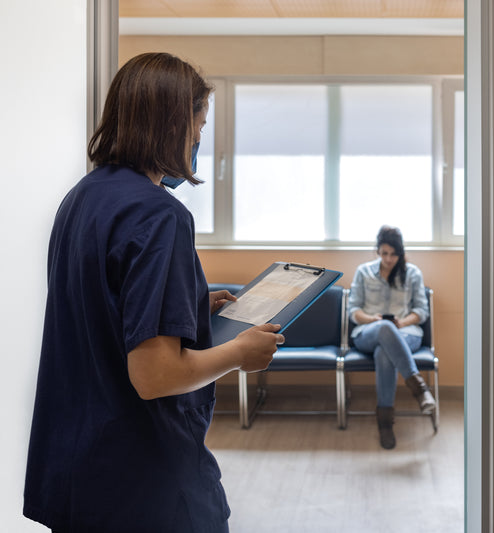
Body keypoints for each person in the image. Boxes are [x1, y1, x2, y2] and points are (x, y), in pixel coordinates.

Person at [23, 52, 284, 533]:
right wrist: (239, 353)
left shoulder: (82, 197)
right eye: (198, 124)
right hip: (142, 482)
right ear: (170, 123)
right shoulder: (159, 215)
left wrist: (186, 305)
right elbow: (155, 375)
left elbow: (99, 305)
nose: (200, 138)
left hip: (78, 472)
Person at [348, 225, 436, 449]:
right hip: (367, 332)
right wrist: (373, 320)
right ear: (377, 251)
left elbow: (421, 312)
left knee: (384, 353)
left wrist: (401, 323)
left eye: (393, 254)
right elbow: (354, 311)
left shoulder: (413, 273)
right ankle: (420, 389)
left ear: (401, 253)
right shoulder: (363, 272)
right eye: (384, 253)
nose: (388, 259)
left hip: (407, 333)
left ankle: (385, 423)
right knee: (384, 329)